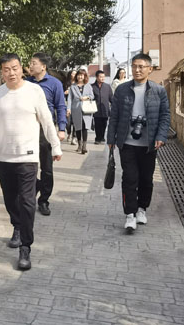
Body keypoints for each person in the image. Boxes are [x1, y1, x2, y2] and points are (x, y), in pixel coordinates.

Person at [0, 53, 62, 270]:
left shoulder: (34, 91)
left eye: (15, 68)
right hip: (4, 156)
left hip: (28, 156)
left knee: (27, 202)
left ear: (21, 68)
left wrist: (56, 146)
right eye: (6, 69)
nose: (11, 73)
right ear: (2, 72)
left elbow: (47, 120)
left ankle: (25, 246)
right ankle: (16, 226)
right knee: (10, 199)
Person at [107, 53, 170, 232]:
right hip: (127, 143)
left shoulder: (158, 91)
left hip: (148, 145)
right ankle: (130, 214)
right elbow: (114, 115)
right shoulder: (122, 90)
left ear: (150, 69)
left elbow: (165, 115)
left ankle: (142, 208)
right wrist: (111, 138)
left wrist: (161, 136)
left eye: (141, 66)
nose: (137, 70)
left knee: (146, 179)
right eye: (134, 66)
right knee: (129, 178)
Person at [26, 53, 66, 216]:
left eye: (33, 63)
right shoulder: (26, 83)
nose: (30, 66)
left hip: (46, 130)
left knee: (47, 168)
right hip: (28, 129)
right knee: (27, 165)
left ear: (43, 66)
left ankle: (44, 200)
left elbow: (60, 106)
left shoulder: (55, 84)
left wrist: (61, 128)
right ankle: (34, 189)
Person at [67, 68, 94, 154]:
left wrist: (87, 97)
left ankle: (84, 146)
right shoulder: (73, 86)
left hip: (86, 109)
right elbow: (70, 98)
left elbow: (92, 96)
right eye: (79, 75)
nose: (80, 77)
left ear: (85, 76)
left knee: (85, 127)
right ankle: (79, 145)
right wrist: (68, 108)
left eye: (82, 75)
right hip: (76, 109)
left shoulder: (88, 86)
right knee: (78, 127)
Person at [91, 70, 113, 144]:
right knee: (97, 124)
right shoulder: (92, 87)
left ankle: (102, 137)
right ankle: (97, 138)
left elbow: (111, 97)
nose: (102, 78)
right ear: (97, 77)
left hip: (105, 109)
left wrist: (115, 105)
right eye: (101, 77)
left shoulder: (107, 86)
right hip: (96, 109)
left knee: (104, 124)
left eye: (103, 77)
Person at [65, 69, 77, 144]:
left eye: (75, 74)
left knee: (75, 122)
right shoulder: (66, 84)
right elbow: (61, 93)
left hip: (76, 105)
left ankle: (74, 137)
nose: (74, 75)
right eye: (73, 74)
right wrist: (65, 92)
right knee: (68, 122)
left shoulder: (78, 84)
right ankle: (69, 133)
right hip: (67, 104)